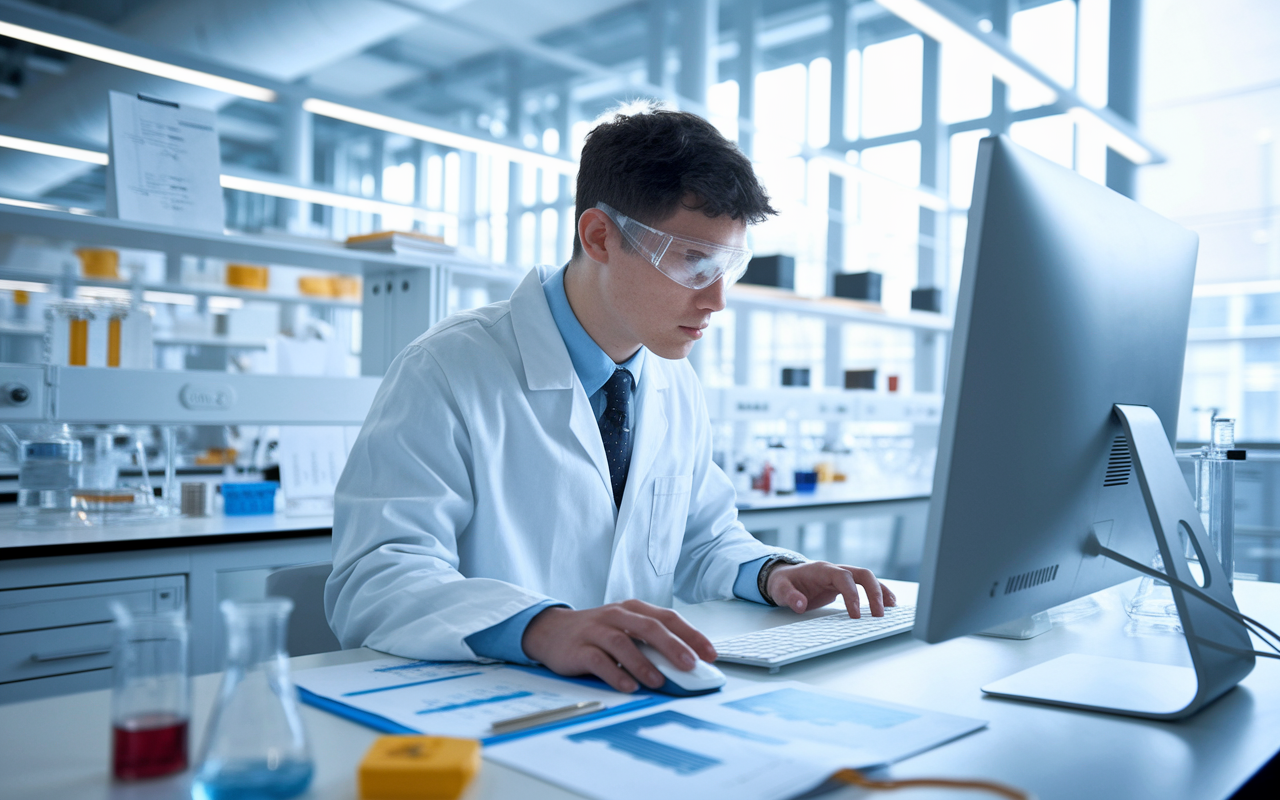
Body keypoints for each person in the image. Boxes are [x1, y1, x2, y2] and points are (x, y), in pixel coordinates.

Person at [326, 103, 896, 693]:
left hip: (634, 696)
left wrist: (776, 573)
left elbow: (701, 538)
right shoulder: (446, 369)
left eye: (728, 265)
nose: (717, 299)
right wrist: (541, 628)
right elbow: (377, 576)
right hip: (486, 699)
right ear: (599, 236)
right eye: (694, 262)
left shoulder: (673, 381)